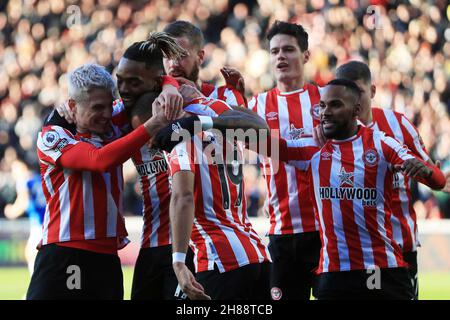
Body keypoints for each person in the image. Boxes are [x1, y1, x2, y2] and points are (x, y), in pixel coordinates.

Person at [52, 33, 187, 300]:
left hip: (187, 245)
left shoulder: (188, 108)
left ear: (155, 80)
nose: (123, 88)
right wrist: (57, 113)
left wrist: (171, 86)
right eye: (120, 80)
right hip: (146, 245)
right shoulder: (113, 117)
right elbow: (98, 158)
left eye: (133, 81)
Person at [27, 63, 171, 300]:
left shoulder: (112, 122)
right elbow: (98, 160)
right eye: (97, 108)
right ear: (72, 106)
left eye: (108, 106)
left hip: (107, 257)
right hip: (67, 252)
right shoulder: (54, 136)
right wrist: (151, 126)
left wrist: (171, 87)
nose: (106, 114)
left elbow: (156, 84)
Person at [309, 78, 446, 299]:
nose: (325, 112)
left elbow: (438, 180)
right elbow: (269, 146)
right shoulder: (314, 148)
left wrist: (426, 171)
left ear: (356, 110)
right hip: (334, 272)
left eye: (335, 105)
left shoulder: (382, 143)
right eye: (322, 105)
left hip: (378, 269)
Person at [150, 84, 272, 300]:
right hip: (256, 253)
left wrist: (178, 262)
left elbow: (183, 196)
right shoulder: (224, 124)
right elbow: (260, 127)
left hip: (219, 258)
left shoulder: (180, 138)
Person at [248, 20, 322, 300]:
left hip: (325, 231)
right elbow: (227, 132)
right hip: (282, 234)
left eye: (288, 49)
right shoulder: (257, 106)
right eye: (275, 51)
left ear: (305, 55)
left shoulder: (326, 100)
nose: (280, 56)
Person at [163, 20, 246, 108]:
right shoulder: (154, 98)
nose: (173, 63)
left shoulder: (225, 96)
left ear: (200, 57)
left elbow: (243, 121)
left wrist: (202, 102)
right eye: (166, 56)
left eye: (181, 55)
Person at [4, 159, 46, 275]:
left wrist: (11, 212)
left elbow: (23, 202)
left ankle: (35, 289)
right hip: (49, 221)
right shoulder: (38, 178)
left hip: (39, 223)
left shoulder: (23, 181)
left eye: (14, 169)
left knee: (31, 254)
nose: (13, 173)